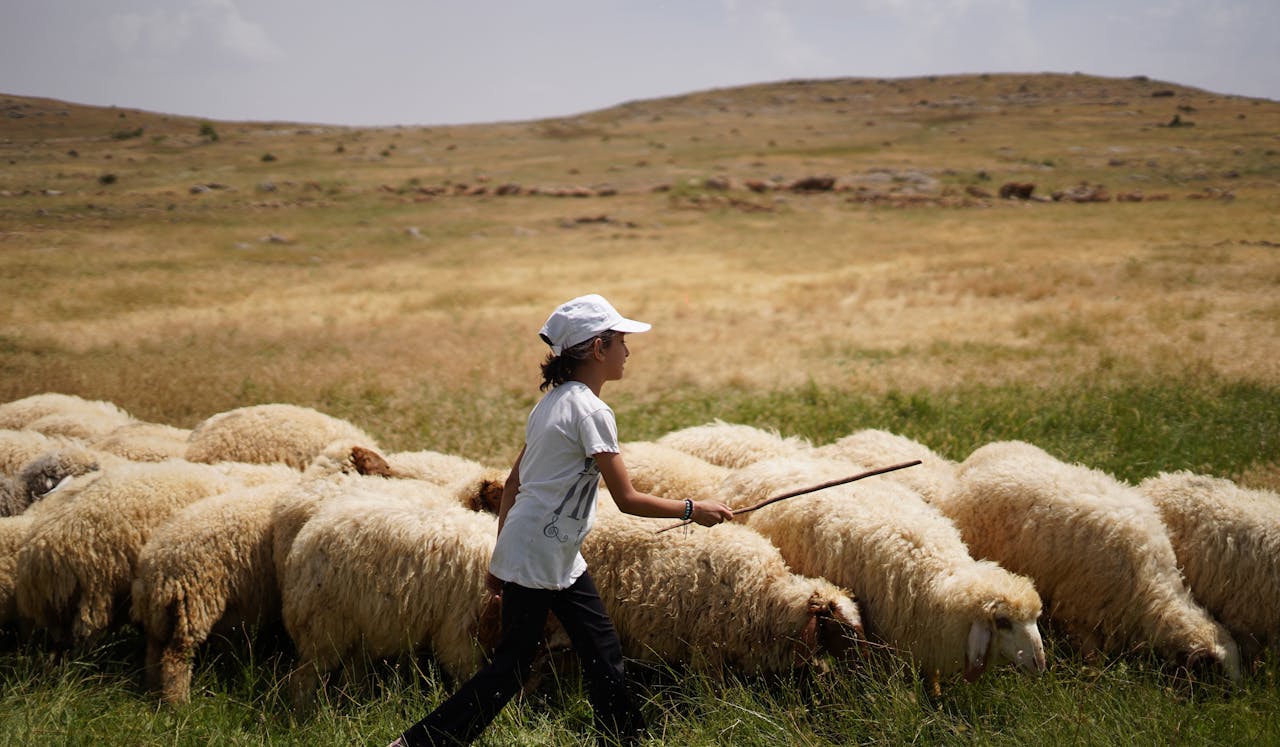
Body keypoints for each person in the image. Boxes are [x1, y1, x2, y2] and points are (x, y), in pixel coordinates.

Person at [389, 294, 734, 747]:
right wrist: (694, 510)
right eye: (621, 342)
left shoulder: (552, 403)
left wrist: (502, 554)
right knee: (510, 671)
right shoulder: (591, 411)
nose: (627, 352)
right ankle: (420, 744)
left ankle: (623, 738)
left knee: (602, 649)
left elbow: (513, 484)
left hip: (550, 554)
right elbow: (627, 499)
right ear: (598, 349)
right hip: (539, 558)